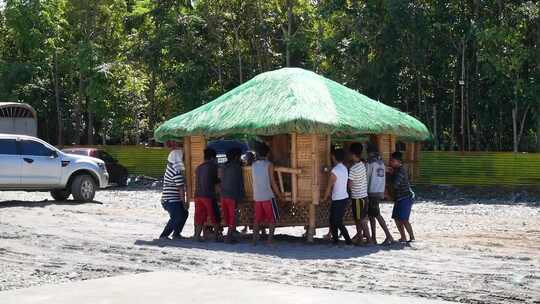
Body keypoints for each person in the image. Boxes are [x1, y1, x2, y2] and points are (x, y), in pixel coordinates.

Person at [251, 144, 282, 245]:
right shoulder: (269, 164)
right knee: (271, 219)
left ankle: (254, 240)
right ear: (268, 153)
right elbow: (272, 181)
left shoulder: (253, 165)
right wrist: (278, 193)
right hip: (267, 195)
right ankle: (270, 240)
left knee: (257, 219)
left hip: (257, 195)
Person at [366, 143, 394, 245]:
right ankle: (373, 237)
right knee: (371, 215)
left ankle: (388, 235)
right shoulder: (381, 162)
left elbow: (366, 177)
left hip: (372, 191)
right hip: (379, 191)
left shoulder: (370, 163)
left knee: (376, 214)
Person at [323, 149, 352, 245]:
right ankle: (336, 240)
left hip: (338, 199)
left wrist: (325, 197)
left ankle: (348, 240)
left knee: (337, 221)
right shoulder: (344, 168)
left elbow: (329, 186)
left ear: (333, 157)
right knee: (333, 220)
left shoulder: (335, 171)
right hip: (343, 197)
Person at [159, 147, 189, 240]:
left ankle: (176, 234)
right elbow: (181, 188)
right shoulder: (175, 170)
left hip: (172, 200)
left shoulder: (171, 167)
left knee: (184, 214)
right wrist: (184, 202)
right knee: (178, 216)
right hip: (170, 200)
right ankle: (164, 235)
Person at [194, 148, 220, 241]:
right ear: (213, 158)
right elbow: (217, 181)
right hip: (208, 195)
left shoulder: (199, 167)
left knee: (200, 217)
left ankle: (197, 236)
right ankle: (216, 237)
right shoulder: (213, 166)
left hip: (198, 195)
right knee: (215, 216)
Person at [388, 151, 415, 243]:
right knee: (396, 218)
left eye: (392, 160)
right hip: (399, 198)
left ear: (398, 161)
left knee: (404, 219)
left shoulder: (400, 171)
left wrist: (389, 175)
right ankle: (403, 237)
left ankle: (411, 237)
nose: (390, 162)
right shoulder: (396, 170)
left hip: (405, 197)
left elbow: (395, 185)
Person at [348, 143, 371, 245]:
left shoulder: (353, 169)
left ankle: (364, 239)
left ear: (353, 154)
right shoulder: (362, 165)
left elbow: (350, 184)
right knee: (361, 219)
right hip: (364, 196)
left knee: (359, 220)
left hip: (357, 197)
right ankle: (364, 238)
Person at [220, 148, 244, 243]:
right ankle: (229, 237)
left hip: (223, 194)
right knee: (232, 216)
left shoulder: (224, 166)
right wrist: (242, 195)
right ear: (236, 157)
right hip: (232, 195)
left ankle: (230, 234)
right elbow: (240, 182)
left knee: (227, 216)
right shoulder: (237, 167)